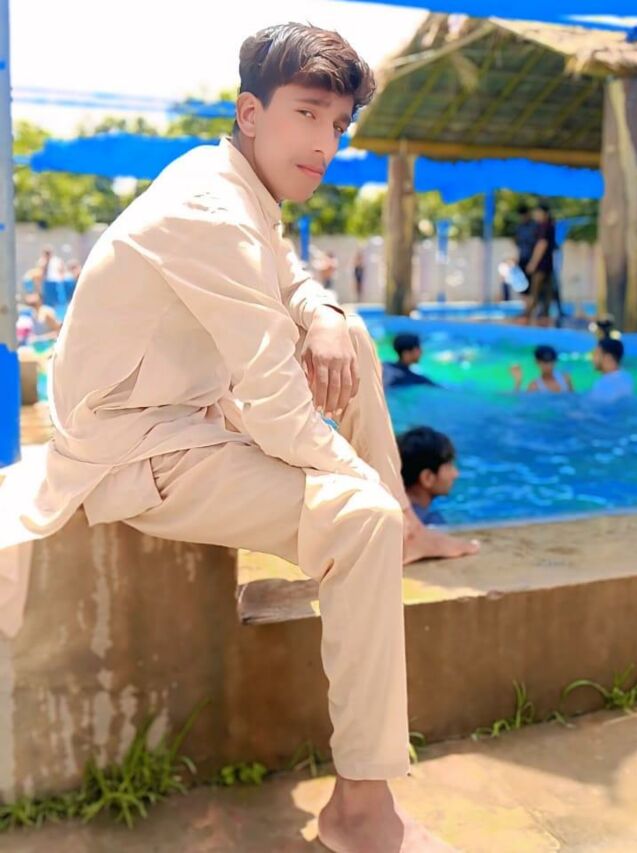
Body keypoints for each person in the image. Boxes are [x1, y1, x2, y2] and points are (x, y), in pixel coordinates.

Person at [0, 23, 480, 852]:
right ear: (250, 112)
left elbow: (286, 277)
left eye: (338, 124)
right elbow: (276, 407)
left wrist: (322, 312)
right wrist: (360, 487)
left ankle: (400, 524)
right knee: (360, 519)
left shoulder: (237, 185)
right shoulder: (210, 207)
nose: (325, 143)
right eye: (308, 113)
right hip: (135, 449)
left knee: (349, 333)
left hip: (188, 417)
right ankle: (359, 810)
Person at [398, 427, 459, 526]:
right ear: (427, 478)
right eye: (449, 466)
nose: (455, 474)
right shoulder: (430, 523)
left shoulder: (390, 515)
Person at [524, 203, 556, 324]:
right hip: (548, 265)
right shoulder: (551, 225)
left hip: (541, 266)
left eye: (538, 212)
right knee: (547, 294)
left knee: (535, 292)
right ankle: (544, 317)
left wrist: (533, 263)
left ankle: (527, 317)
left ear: (544, 214)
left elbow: (542, 245)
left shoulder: (543, 226)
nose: (535, 215)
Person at [589, 337, 634, 403]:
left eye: (596, 354)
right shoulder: (627, 378)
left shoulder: (604, 385)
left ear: (608, 357)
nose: (593, 358)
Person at [514, 203, 536, 295]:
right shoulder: (520, 227)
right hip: (523, 258)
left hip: (533, 259)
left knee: (534, 285)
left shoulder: (534, 226)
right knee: (523, 286)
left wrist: (533, 262)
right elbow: (518, 242)